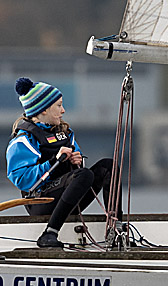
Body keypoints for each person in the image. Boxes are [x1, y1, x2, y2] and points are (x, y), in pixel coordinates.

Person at [7, 77, 114, 248]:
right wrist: (53, 161)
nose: (63, 110)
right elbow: (21, 179)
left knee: (109, 166)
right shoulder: (23, 140)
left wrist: (76, 162)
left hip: (65, 194)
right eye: (58, 106)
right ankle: (50, 233)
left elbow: (79, 174)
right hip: (39, 201)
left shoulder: (66, 134)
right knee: (84, 175)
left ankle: (116, 230)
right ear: (43, 110)